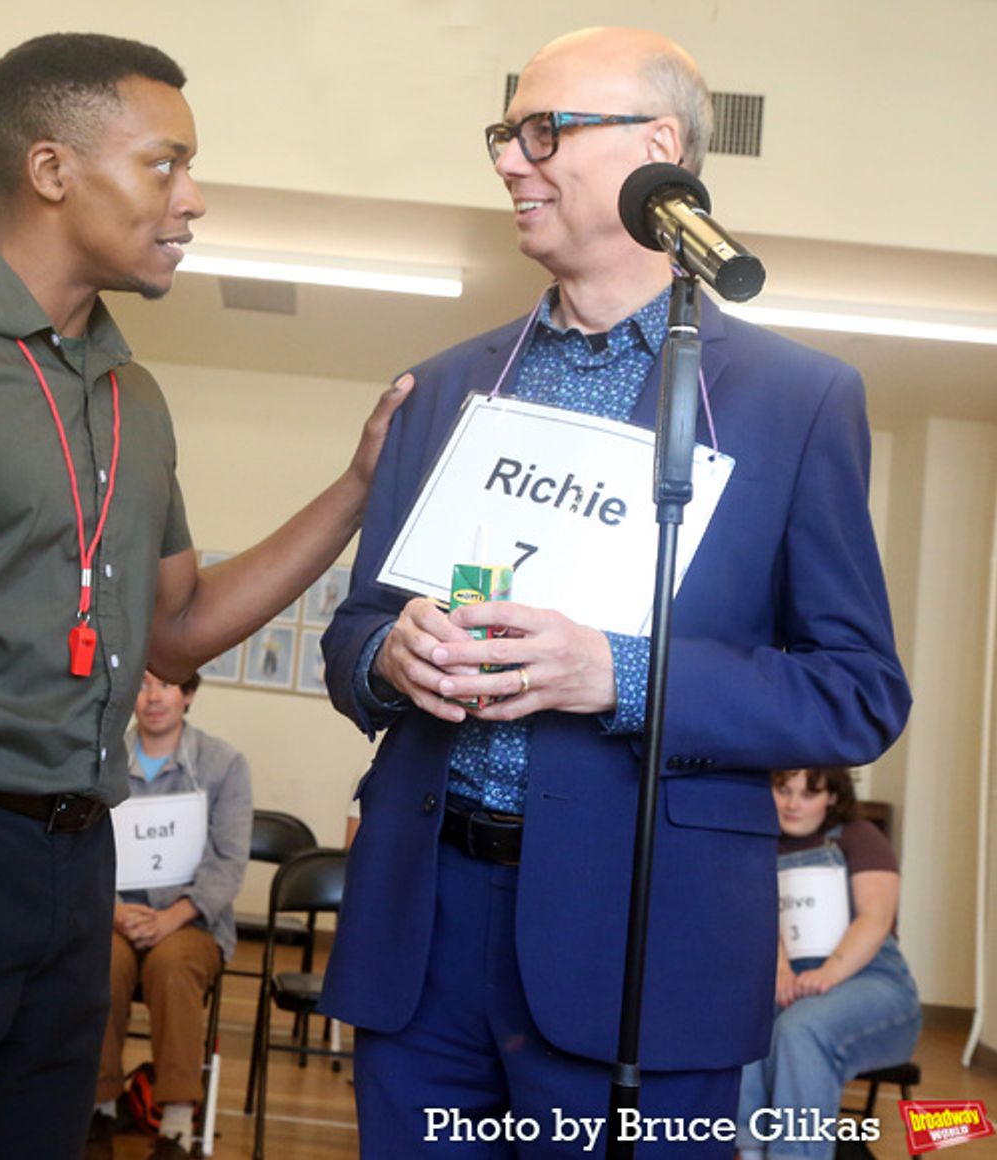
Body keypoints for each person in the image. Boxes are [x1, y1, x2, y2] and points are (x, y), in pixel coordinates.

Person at [0, 32, 408, 1160]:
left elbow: (178, 629)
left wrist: (354, 487)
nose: (191, 200)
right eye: (165, 164)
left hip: (71, 860)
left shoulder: (131, 394)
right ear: (50, 170)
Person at [318, 26, 910, 1159]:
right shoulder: (442, 388)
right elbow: (353, 631)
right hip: (423, 933)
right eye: (504, 133)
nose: (507, 158)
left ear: (657, 148)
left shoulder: (796, 401)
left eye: (545, 129)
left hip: (644, 943)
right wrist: (383, 653)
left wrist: (619, 672)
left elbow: (856, 693)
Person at [89, 670, 252, 1159]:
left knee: (172, 966)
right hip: (115, 915)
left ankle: (178, 1123)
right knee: (102, 964)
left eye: (166, 685)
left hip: (191, 920)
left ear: (189, 695)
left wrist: (171, 917)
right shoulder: (104, 759)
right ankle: (99, 1107)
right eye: (141, 684)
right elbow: (86, 849)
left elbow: (228, 862)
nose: (152, 696)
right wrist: (115, 911)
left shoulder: (224, 765)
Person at [734, 768, 920, 1160]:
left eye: (808, 793)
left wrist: (827, 974)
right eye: (783, 790)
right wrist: (781, 970)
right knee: (743, 1021)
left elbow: (875, 919)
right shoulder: (758, 844)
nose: (792, 804)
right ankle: (748, 1151)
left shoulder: (860, 837)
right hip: (793, 984)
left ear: (832, 797)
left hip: (871, 983)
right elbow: (756, 921)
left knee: (801, 1029)